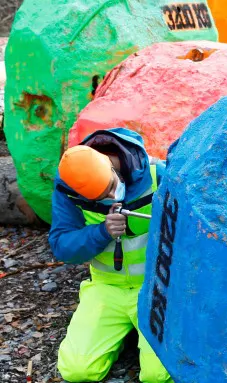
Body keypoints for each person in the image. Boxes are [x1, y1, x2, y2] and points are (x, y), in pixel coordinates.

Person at [48, 128, 171, 382]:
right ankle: (126, 332)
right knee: (76, 370)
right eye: (100, 197)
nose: (109, 198)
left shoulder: (158, 175)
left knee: (159, 375)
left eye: (110, 188)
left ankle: (140, 332)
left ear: (111, 165)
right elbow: (61, 246)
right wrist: (101, 232)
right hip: (106, 287)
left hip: (156, 288)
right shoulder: (68, 188)